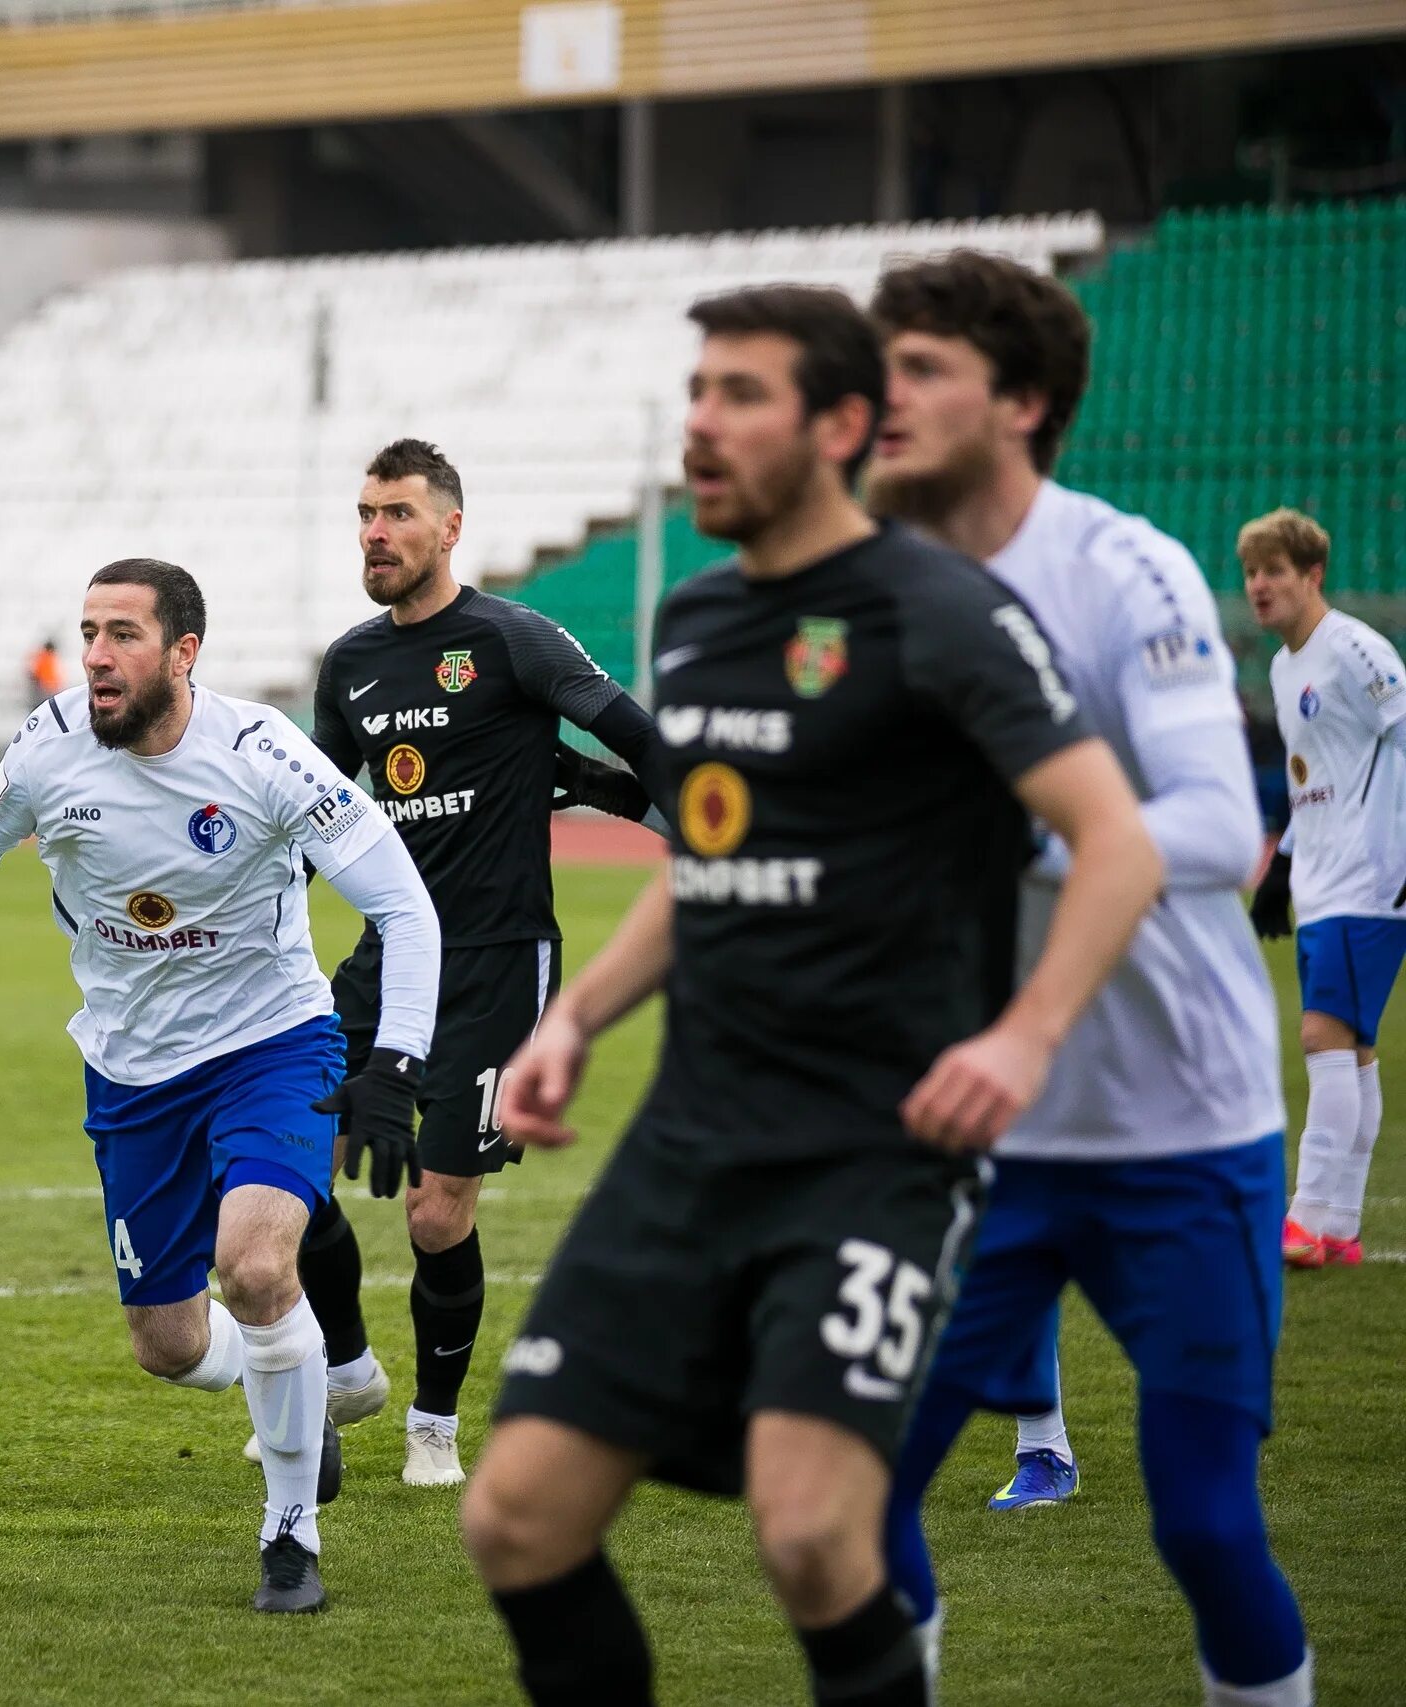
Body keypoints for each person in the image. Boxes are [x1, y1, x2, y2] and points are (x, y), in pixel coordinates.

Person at [459, 285, 1162, 1707]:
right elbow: (718, 860)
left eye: (741, 395)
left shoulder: (943, 612)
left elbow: (1121, 841)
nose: (700, 422)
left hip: (873, 1151)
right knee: (516, 1512)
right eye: (697, 388)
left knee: (809, 1528)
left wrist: (1024, 1038)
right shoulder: (704, 616)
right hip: (692, 1138)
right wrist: (577, 1017)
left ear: (843, 426)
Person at [868, 252, 1312, 1703]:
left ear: (1026, 402)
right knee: (848, 1502)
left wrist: (1014, 835)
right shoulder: (863, 584)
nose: (887, 392)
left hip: (1181, 1123)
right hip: (978, 1135)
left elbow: (1217, 824)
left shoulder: (1123, 568)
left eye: (924, 366)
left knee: (1202, 1516)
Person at [0, 558, 441, 1615]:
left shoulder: (261, 755)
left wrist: (394, 1062)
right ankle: (284, 1385)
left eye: (122, 634)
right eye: (88, 633)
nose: (98, 657)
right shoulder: (50, 744)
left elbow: (403, 904)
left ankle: (289, 1533)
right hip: (130, 1067)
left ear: (183, 653)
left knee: (252, 1271)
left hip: (271, 1044)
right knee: (167, 1344)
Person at [287, 436, 665, 1490]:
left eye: (398, 514)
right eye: (365, 514)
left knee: (435, 1210)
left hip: (498, 962)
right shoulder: (351, 663)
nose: (375, 533)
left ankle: (432, 1428)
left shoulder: (513, 641)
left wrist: (699, 823)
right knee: (286, 1167)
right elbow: (313, 815)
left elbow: (639, 742)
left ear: (449, 527)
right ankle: (349, 1368)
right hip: (381, 959)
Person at [1245, 506, 1403, 1272]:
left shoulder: (1354, 649)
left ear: (1312, 576)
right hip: (1321, 876)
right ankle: (1337, 1224)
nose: (1258, 586)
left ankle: (1304, 1218)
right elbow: (1317, 778)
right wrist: (1281, 864)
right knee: (1356, 1049)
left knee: (1322, 1037)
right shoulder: (1282, 668)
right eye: (1250, 573)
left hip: (1371, 879)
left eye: (1273, 571)